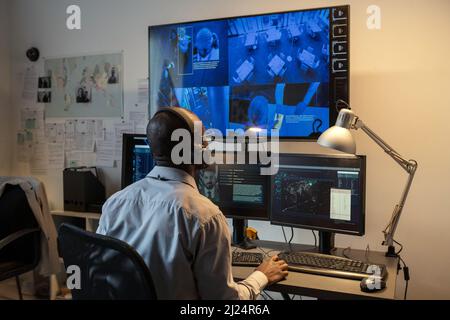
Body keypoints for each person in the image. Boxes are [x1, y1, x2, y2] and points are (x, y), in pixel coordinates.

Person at [97, 107, 288, 300]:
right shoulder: (205, 217)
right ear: (197, 151)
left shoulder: (115, 203)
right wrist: (261, 277)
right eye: (204, 139)